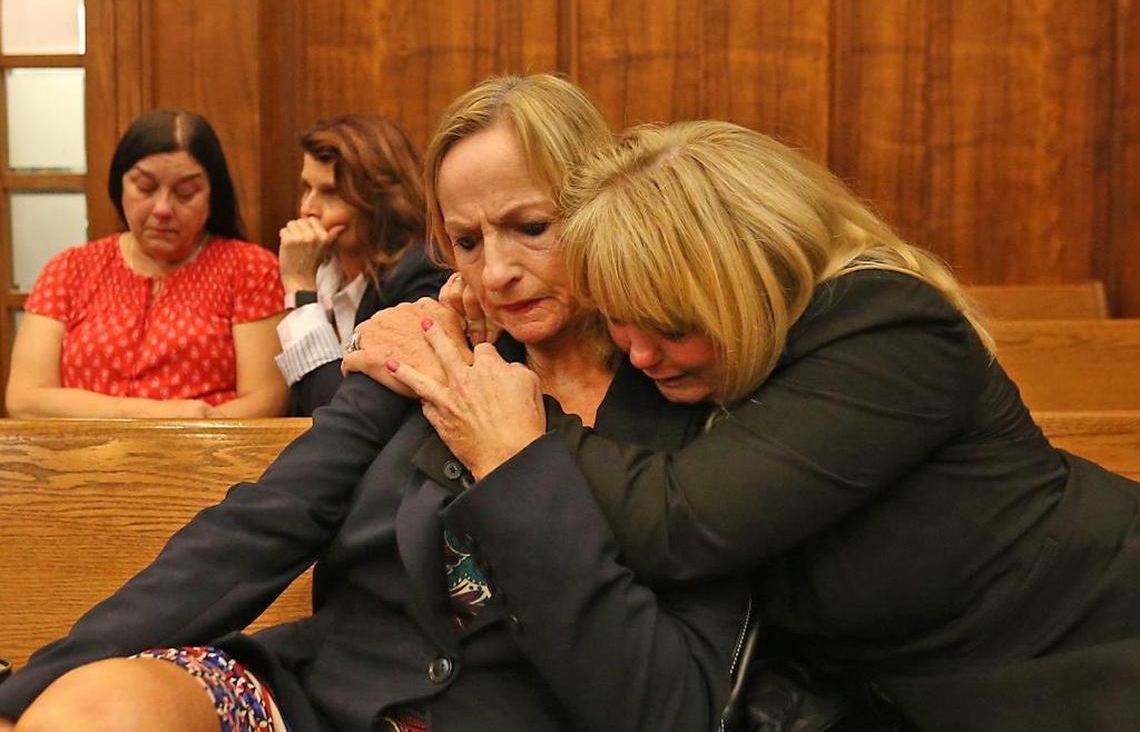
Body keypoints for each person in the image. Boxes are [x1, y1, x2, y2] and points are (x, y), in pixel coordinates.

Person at [0, 77, 747, 732]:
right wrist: (31, 685)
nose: (498, 271)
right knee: (90, 712)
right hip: (324, 699)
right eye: (465, 239)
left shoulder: (685, 391)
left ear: (599, 208)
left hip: (525, 712)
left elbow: (666, 703)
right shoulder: (426, 347)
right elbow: (258, 526)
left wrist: (515, 463)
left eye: (532, 228)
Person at [382, 120, 1140, 731]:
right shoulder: (698, 376)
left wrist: (518, 425)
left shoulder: (889, 326)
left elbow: (683, 520)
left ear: (746, 284)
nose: (641, 353)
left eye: (670, 325)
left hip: (1095, 655)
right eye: (618, 321)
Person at [6, 109, 288, 419]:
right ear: (119, 187)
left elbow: (265, 401)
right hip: (79, 460)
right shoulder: (69, 269)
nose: (163, 208)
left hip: (205, 459)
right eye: (145, 188)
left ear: (212, 197)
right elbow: (24, 400)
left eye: (186, 193)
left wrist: (196, 432)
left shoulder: (250, 270)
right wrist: (153, 415)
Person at [275, 114, 446, 415]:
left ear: (379, 199)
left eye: (330, 193)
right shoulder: (325, 270)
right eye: (307, 188)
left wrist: (301, 294)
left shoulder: (419, 275)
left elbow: (342, 412)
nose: (307, 209)